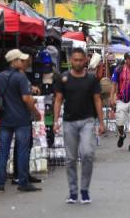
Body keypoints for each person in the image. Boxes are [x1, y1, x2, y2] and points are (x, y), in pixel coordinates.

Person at [54, 48, 105, 204]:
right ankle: (73, 191)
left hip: (87, 121)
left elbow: (97, 100)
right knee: (70, 159)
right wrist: (56, 120)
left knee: (88, 154)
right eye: (74, 60)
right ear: (71, 61)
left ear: (85, 61)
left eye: (80, 60)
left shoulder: (91, 79)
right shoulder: (63, 78)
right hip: (69, 122)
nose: (77, 62)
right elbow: (58, 100)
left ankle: (84, 189)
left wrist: (101, 122)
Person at [0, 49, 41, 192]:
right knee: (22, 151)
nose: (24, 62)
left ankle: (0, 183)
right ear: (14, 61)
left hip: (5, 118)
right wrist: (36, 112)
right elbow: (26, 98)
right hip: (21, 119)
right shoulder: (20, 77)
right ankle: (23, 182)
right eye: (21, 59)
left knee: (3, 151)